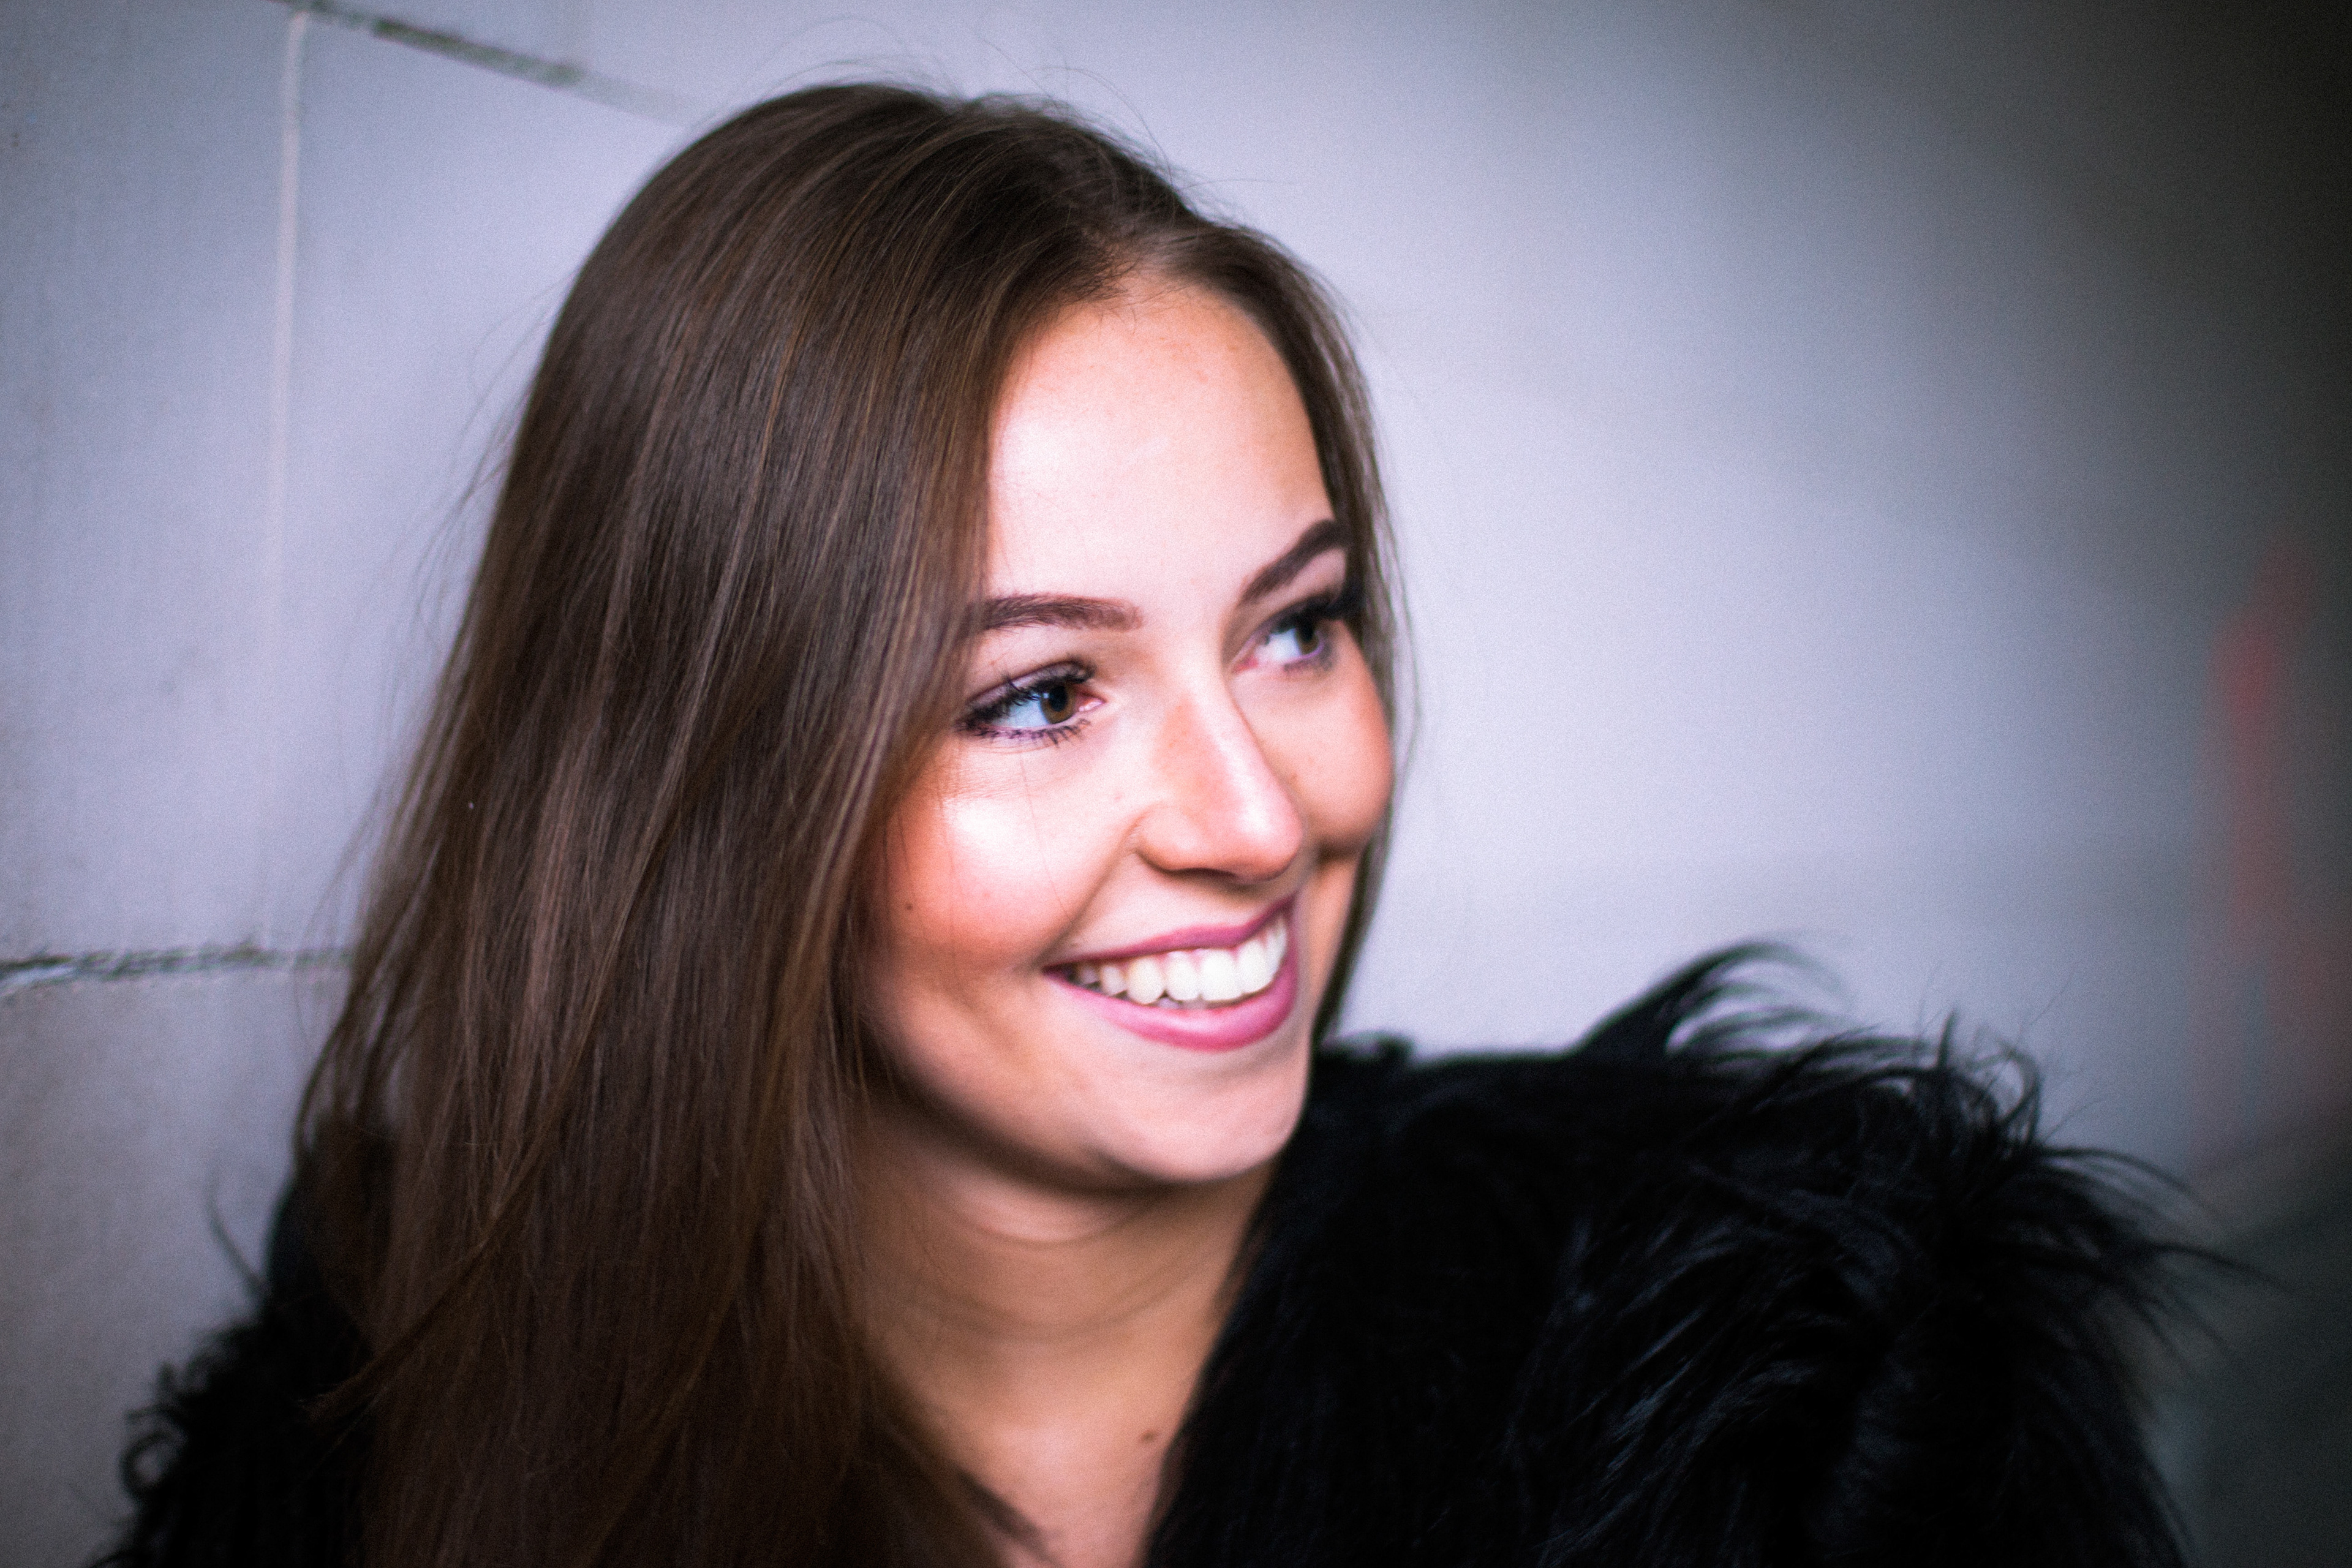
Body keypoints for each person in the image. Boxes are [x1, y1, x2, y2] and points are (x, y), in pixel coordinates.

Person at [104, 85, 2184, 1568]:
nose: (1259, 816)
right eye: (1038, 694)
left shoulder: (1800, 1399)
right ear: (708, 795)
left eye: (1296, 630)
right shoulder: (380, 1447)